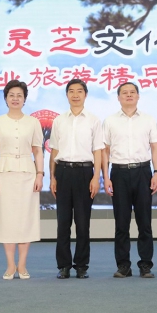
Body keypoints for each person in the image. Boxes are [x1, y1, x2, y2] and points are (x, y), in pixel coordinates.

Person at [102, 82, 157, 279]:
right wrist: (106, 177)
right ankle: (123, 266)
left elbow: (155, 147)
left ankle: (145, 265)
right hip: (119, 174)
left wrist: (156, 173)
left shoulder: (148, 120)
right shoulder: (110, 121)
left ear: (138, 96)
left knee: (145, 222)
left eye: (132, 92)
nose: (129, 95)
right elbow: (105, 151)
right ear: (118, 97)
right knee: (121, 223)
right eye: (124, 93)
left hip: (143, 172)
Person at [0, 80, 44, 280]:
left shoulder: (33, 122)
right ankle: (11, 265)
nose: (15, 98)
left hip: (28, 174)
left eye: (19, 95)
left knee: (26, 219)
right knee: (7, 219)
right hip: (5, 174)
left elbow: (38, 150)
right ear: (5, 98)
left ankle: (23, 265)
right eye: (11, 95)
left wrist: (40, 174)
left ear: (25, 99)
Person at [49, 79, 104, 279]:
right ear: (66, 95)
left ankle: (81, 265)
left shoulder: (93, 120)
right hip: (63, 172)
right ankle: (63, 266)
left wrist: (96, 177)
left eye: (79, 91)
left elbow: (98, 151)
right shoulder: (59, 120)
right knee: (63, 223)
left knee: (82, 223)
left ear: (85, 95)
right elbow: (54, 150)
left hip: (84, 172)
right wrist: (53, 177)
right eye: (71, 91)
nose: (75, 95)